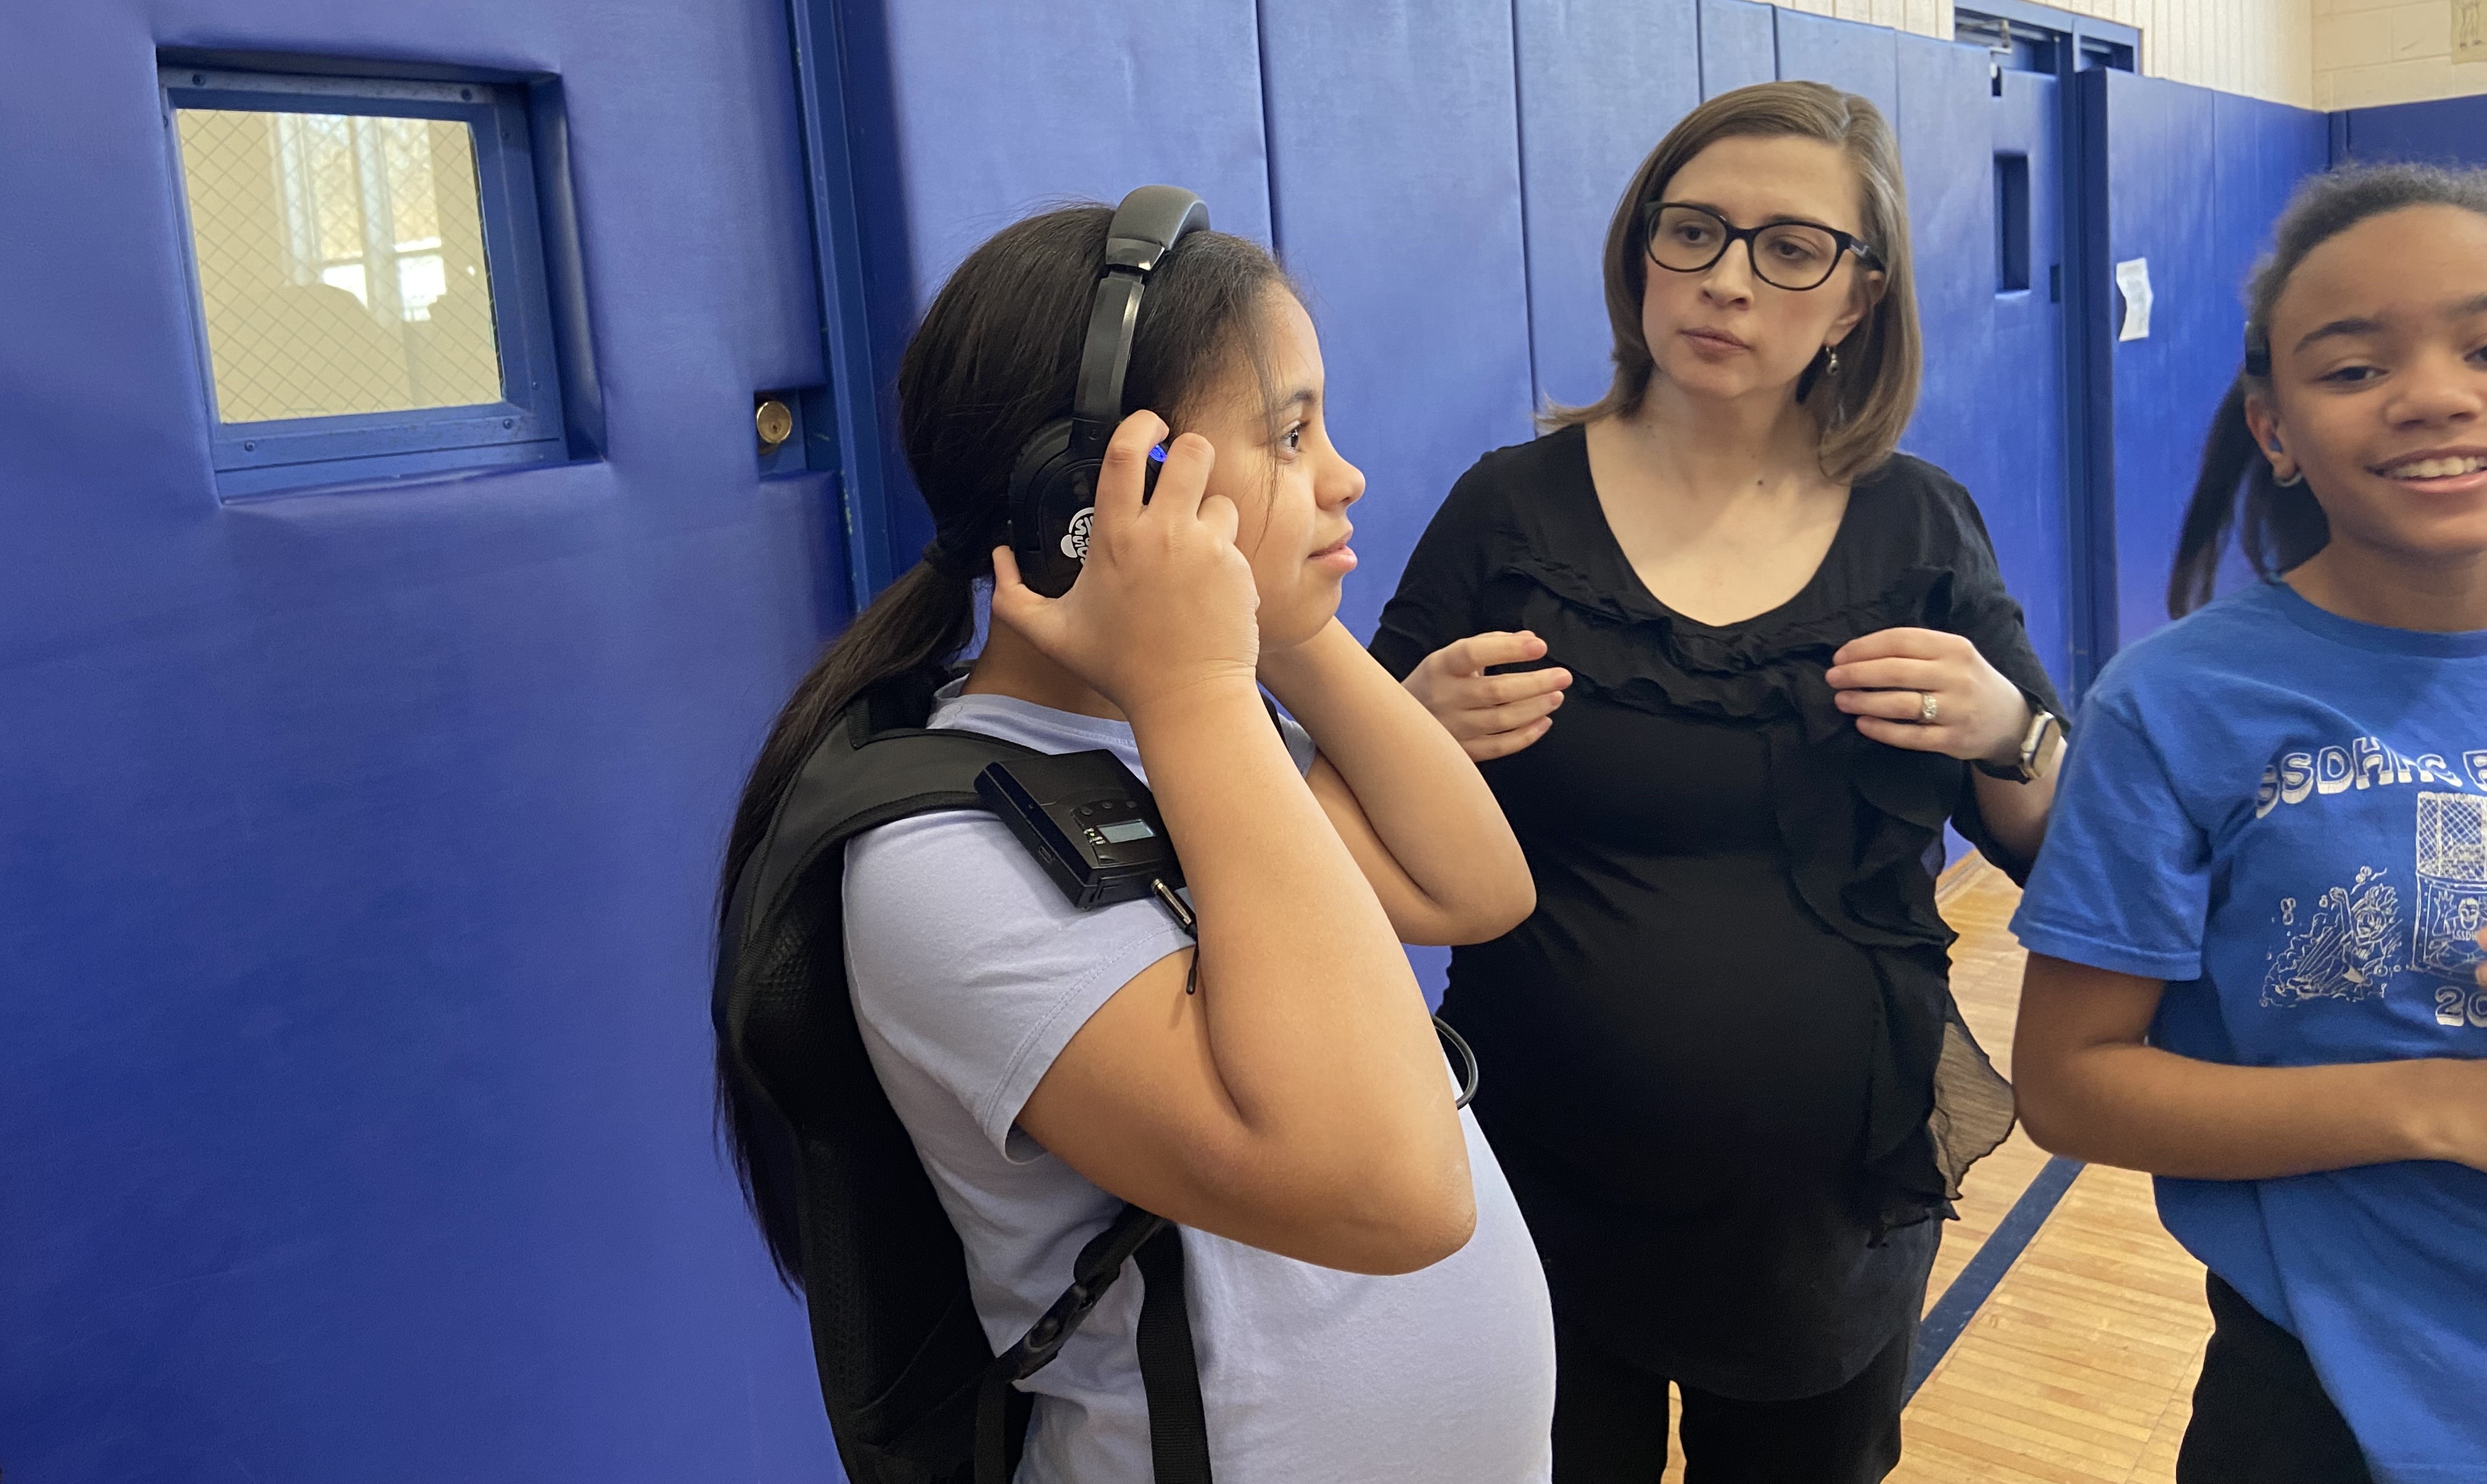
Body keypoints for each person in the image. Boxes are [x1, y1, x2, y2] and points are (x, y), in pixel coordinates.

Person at [716, 206, 1556, 1483]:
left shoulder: (1192, 739)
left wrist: (1280, 637)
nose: (1344, 477)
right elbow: (1399, 1191)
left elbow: (1475, 886)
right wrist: (1206, 682)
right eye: (1291, 435)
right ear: (1090, 498)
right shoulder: (947, 859)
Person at [1372, 82, 2066, 1483]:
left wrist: (2009, 730)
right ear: (1641, 248)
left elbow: (2058, 845)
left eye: (1791, 248)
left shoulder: (1918, 524)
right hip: (1538, 1177)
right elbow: (1342, 830)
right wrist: (1401, 729)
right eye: (1692, 231)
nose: (1728, 280)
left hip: (1823, 1214)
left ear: (1860, 298)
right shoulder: (1509, 510)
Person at [2010, 165, 2487, 1484]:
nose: (2435, 395)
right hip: (2326, 1395)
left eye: (2483, 348)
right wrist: (2436, 1104)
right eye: (2355, 367)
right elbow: (2070, 1081)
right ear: (2275, 429)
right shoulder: (2177, 702)